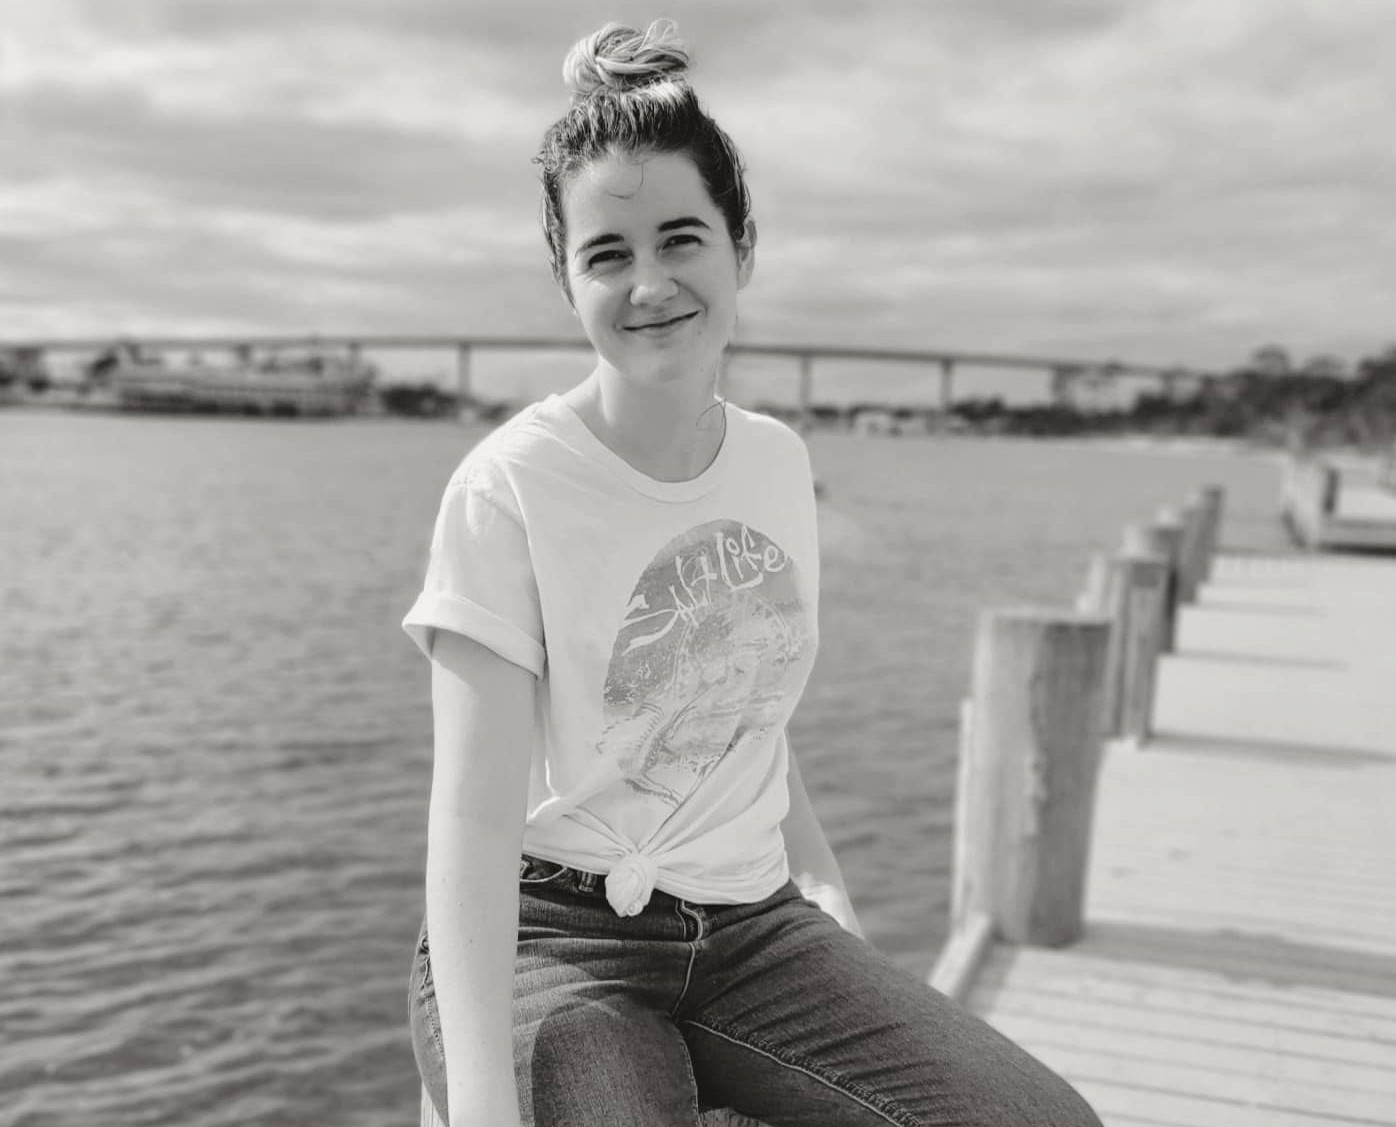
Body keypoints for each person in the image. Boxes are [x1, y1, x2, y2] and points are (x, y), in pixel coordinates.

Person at [402, 19, 1103, 1127]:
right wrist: (484, 1102)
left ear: (741, 248)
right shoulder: (509, 487)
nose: (648, 284)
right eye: (607, 254)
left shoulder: (776, 462)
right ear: (564, 279)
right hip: (553, 940)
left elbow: (738, 704)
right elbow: (474, 823)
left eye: (681, 238)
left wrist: (818, 870)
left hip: (749, 923)